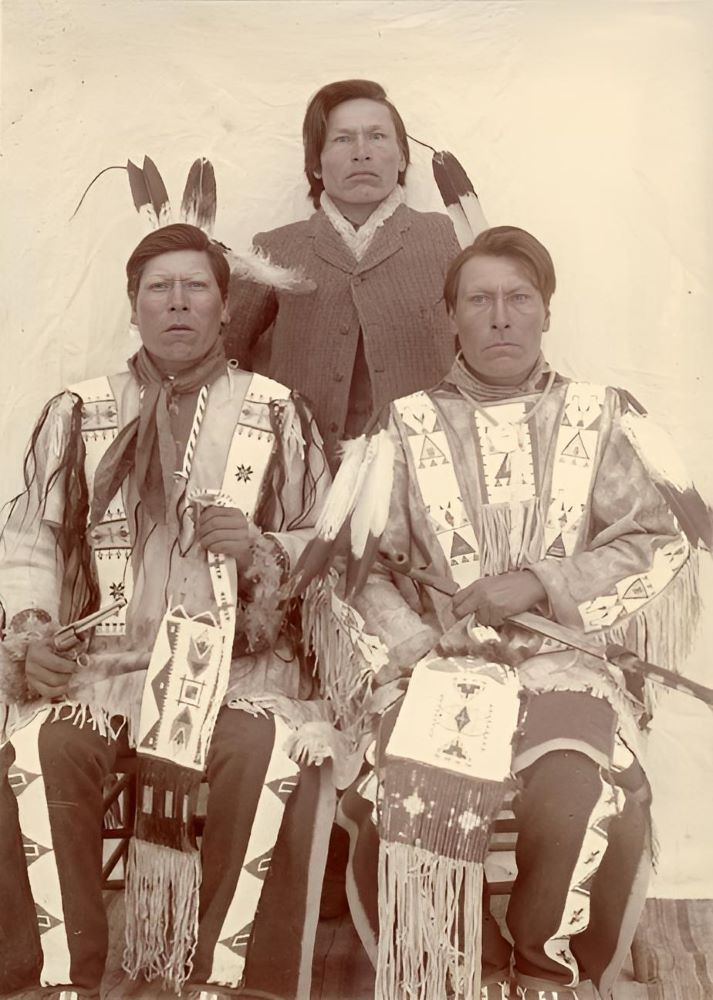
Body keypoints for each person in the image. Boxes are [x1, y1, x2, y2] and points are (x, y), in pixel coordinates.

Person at [311, 226, 700, 1000]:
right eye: (479, 300)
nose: (500, 317)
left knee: (580, 788)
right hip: (440, 670)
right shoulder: (401, 425)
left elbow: (658, 540)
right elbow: (355, 573)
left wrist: (538, 582)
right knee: (397, 795)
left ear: (545, 314)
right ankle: (449, 967)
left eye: (518, 299)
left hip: (565, 665)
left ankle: (541, 969)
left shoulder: (601, 417)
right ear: (449, 317)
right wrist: (424, 646)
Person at [0, 223, 339, 1000]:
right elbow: (30, 542)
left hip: (237, 666)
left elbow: (326, 542)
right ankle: (60, 980)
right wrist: (29, 633)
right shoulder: (78, 412)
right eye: (160, 288)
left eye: (196, 288)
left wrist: (261, 547)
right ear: (134, 307)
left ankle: (227, 982)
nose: (178, 303)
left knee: (266, 751)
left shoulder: (277, 412)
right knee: (40, 750)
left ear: (225, 310)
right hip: (110, 667)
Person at [224, 78, 462, 468]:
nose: (362, 152)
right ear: (315, 164)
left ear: (402, 158)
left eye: (378, 136)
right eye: (342, 139)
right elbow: (223, 363)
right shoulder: (274, 249)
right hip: (299, 482)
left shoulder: (444, 238)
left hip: (424, 475)